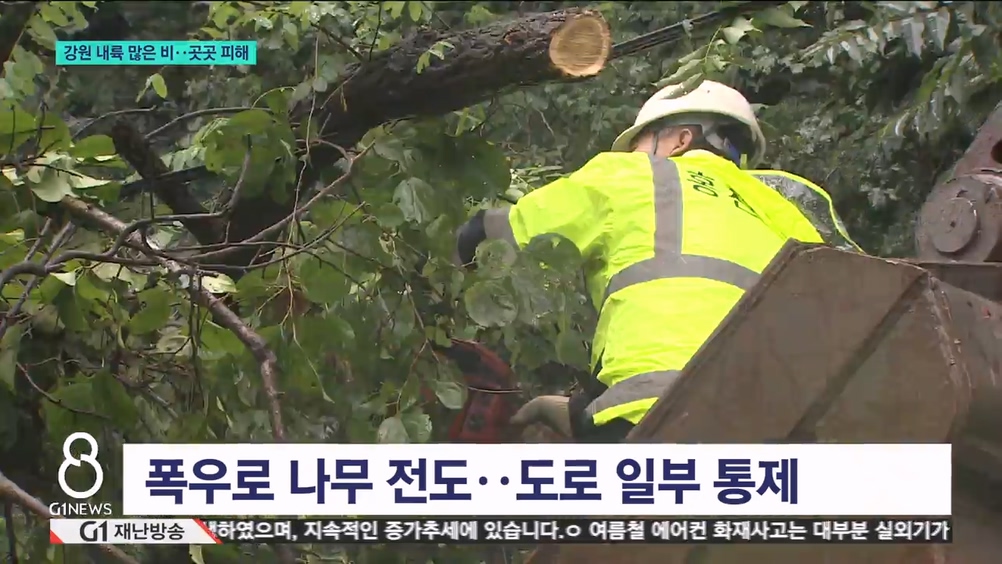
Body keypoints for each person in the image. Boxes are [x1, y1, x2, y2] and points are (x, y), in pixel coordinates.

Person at [451, 80, 861, 443]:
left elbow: (513, 236)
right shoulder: (788, 201)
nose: (635, 153)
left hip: (653, 412)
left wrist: (458, 250)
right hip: (782, 426)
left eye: (641, 143)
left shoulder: (634, 174)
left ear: (680, 139)